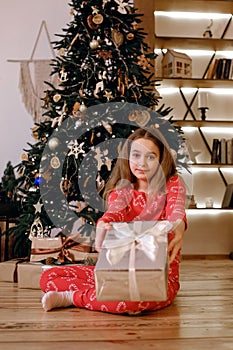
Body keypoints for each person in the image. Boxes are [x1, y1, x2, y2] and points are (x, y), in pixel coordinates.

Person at [40, 127, 187, 314]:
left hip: (159, 277)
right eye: (136, 155)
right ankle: (96, 294)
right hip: (117, 272)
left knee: (132, 303)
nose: (142, 163)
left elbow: (176, 212)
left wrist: (178, 228)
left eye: (150, 157)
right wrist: (104, 222)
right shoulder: (123, 189)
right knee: (49, 277)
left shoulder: (172, 184)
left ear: (160, 160)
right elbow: (115, 211)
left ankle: (73, 297)